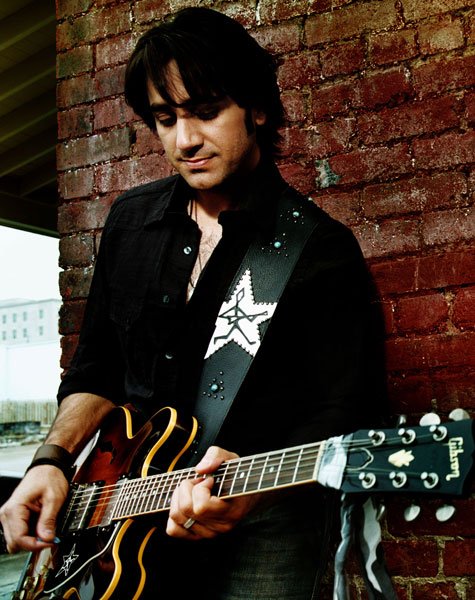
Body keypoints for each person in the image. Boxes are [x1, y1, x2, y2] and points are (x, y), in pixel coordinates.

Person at [0, 7, 386, 599]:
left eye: (206, 112)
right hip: (118, 516)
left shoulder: (319, 250)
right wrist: (50, 461)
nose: (185, 141)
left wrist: (252, 491)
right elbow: (97, 367)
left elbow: (346, 411)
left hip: (259, 526)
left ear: (257, 108)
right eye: (166, 119)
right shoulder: (130, 221)